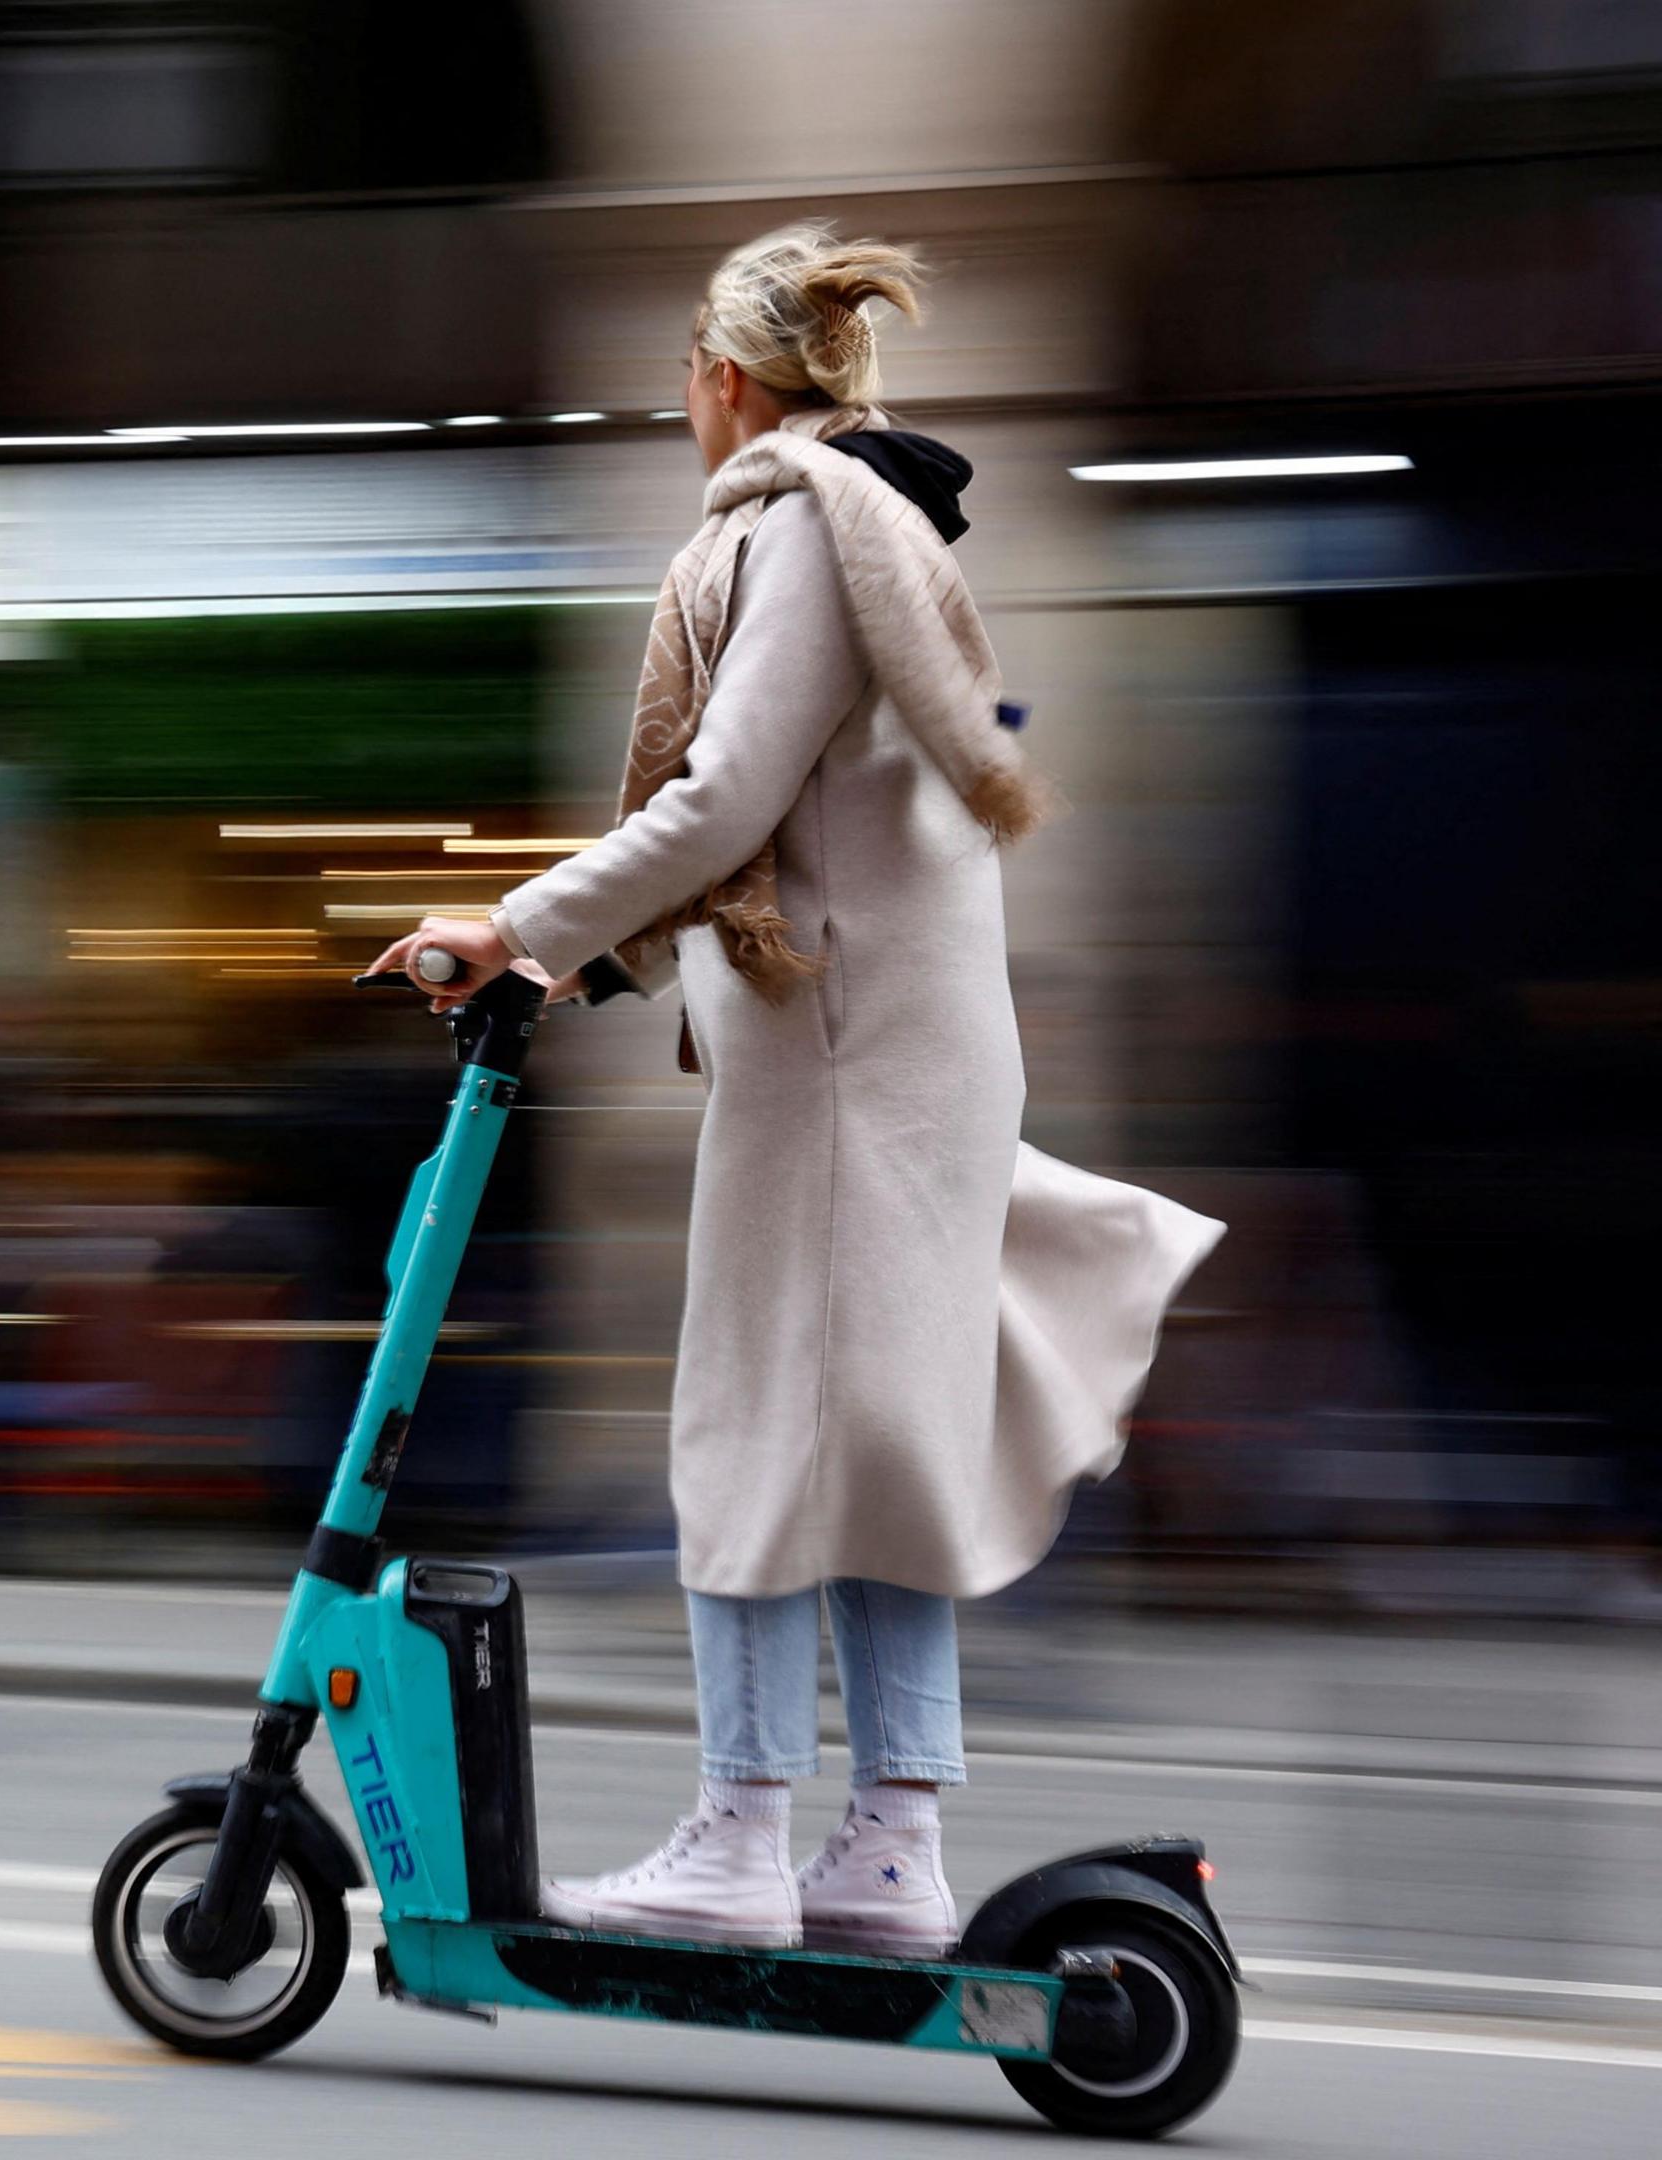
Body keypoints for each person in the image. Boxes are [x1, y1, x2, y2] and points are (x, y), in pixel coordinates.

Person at [379, 224, 1222, 1953]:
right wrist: (581, 964)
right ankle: (890, 1846)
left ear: (720, 375)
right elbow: (794, 828)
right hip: (887, 1051)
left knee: (752, 1431)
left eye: (685, 375)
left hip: (839, 1067)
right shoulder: (882, 526)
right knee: (876, 1450)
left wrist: (514, 921)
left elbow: (724, 803)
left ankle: (743, 1833)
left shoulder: (799, 531)